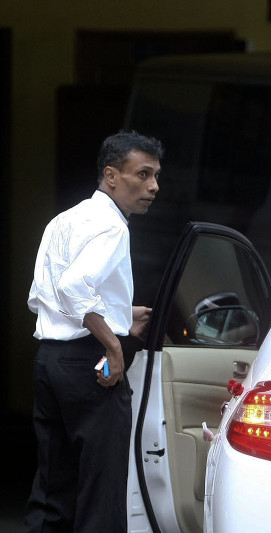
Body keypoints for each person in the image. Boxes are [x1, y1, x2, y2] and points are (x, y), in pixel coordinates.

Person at [25, 131, 163, 532]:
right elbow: (73, 287)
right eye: (143, 174)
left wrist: (120, 313)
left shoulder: (63, 220)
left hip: (50, 362)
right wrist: (112, 343)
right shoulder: (113, 227)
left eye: (156, 175)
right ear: (111, 175)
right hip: (90, 366)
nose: (153, 186)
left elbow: (43, 295)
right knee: (100, 495)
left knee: (53, 490)